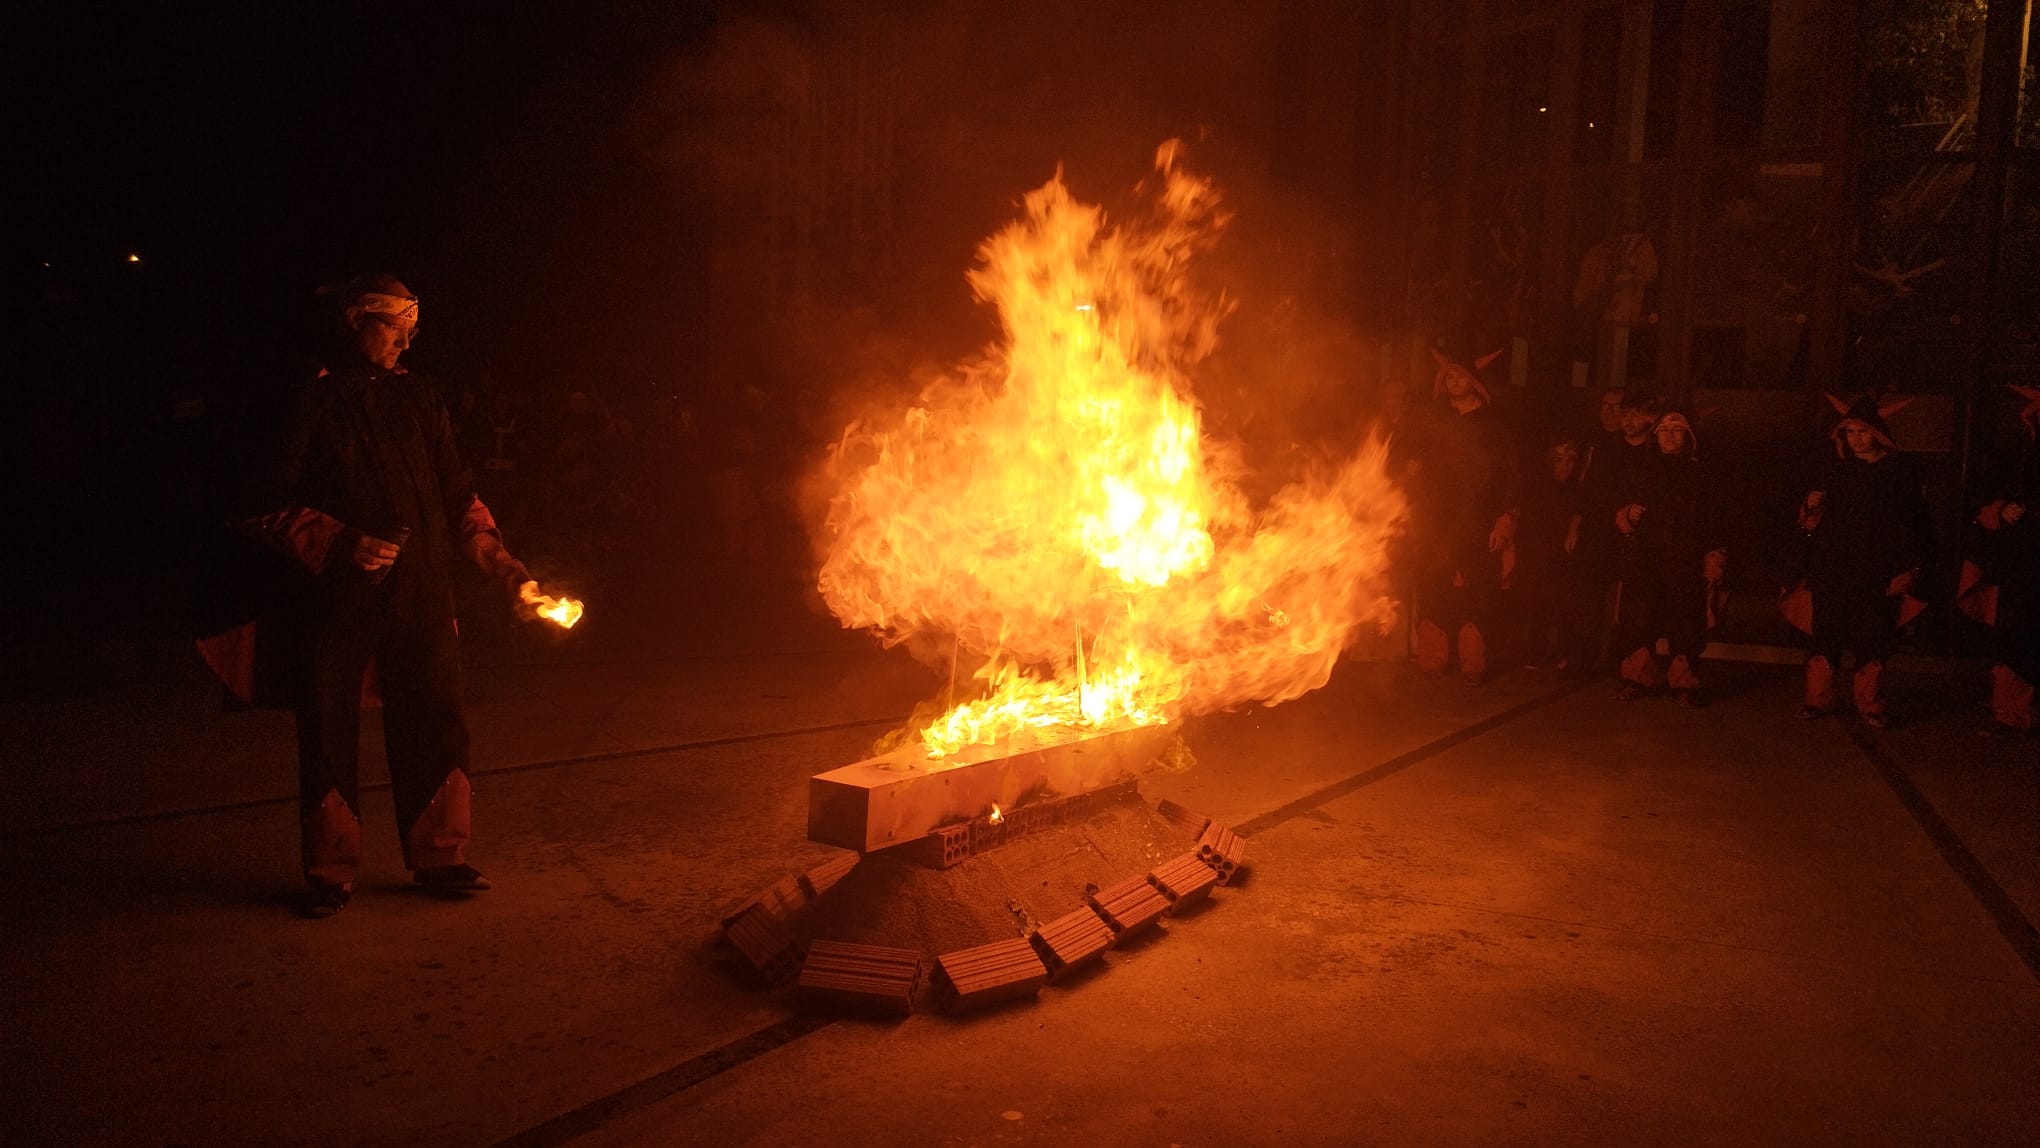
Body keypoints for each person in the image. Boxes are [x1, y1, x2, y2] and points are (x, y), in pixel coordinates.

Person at [212, 274, 536, 917]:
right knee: (329, 729)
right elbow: (253, 502)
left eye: (411, 330)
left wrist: (505, 568)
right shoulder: (310, 400)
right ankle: (331, 871)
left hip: (421, 594)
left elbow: (457, 495)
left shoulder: (420, 400)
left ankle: (441, 857)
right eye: (393, 328)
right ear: (356, 320)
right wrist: (337, 542)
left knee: (438, 720)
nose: (404, 344)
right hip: (337, 601)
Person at [1785, 393, 1930, 728]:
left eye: (1862, 432)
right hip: (1833, 568)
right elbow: (1810, 525)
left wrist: (1910, 568)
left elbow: (1915, 524)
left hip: (1877, 571)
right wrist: (1810, 508)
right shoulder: (1837, 472)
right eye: (1849, 433)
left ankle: (1870, 704)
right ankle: (1818, 699)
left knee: (1873, 637)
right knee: (1826, 636)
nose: (1856, 440)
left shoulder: (1898, 474)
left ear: (1877, 433)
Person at [1400, 347, 1518, 684]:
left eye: (1460, 376)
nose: (1454, 382)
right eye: (1448, 376)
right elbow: (1410, 460)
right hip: (1435, 519)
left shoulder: (1494, 425)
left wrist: (1504, 519)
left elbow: (1509, 475)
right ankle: (1433, 658)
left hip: (1477, 518)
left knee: (1478, 589)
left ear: (1474, 381)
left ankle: (1473, 663)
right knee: (1432, 585)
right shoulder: (1434, 420)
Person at [1609, 410, 1724, 705]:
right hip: (1645, 556)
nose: (1670, 436)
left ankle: (1684, 683)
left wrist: (1712, 556)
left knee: (1685, 619)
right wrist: (1628, 515)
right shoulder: (1640, 470)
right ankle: (1637, 678)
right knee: (1639, 618)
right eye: (1664, 431)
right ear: (1655, 436)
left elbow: (1713, 517)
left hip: (1684, 556)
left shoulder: (1701, 473)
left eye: (1676, 431)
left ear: (1687, 437)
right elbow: (1621, 507)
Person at [1959, 385, 2040, 736]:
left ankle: (2018, 711)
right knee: (2014, 631)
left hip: (2027, 559)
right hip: (2020, 561)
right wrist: (2000, 509)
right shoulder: (2020, 453)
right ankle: (2012, 712)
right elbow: (1989, 493)